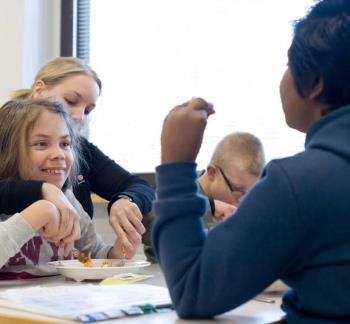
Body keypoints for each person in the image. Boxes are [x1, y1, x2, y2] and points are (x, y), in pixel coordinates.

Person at [152, 0, 350, 322]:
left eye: (288, 64)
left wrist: (175, 166)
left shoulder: (299, 182)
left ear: (314, 83)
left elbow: (192, 291)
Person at [0, 57, 155, 255]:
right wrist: (44, 192)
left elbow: (137, 185)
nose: (79, 116)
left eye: (66, 144)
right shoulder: (6, 134)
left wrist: (126, 200)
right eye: (71, 101)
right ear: (39, 90)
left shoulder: (80, 155)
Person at [0, 99, 138, 279]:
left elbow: (92, 256)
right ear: (8, 150)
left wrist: (119, 252)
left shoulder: (67, 200)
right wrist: (41, 211)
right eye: (41, 143)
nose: (59, 154)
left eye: (65, 144)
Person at [143, 132, 265, 263]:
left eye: (250, 193)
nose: (242, 201)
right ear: (212, 173)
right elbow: (153, 223)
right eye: (237, 190)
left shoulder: (239, 203)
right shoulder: (177, 194)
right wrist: (209, 207)